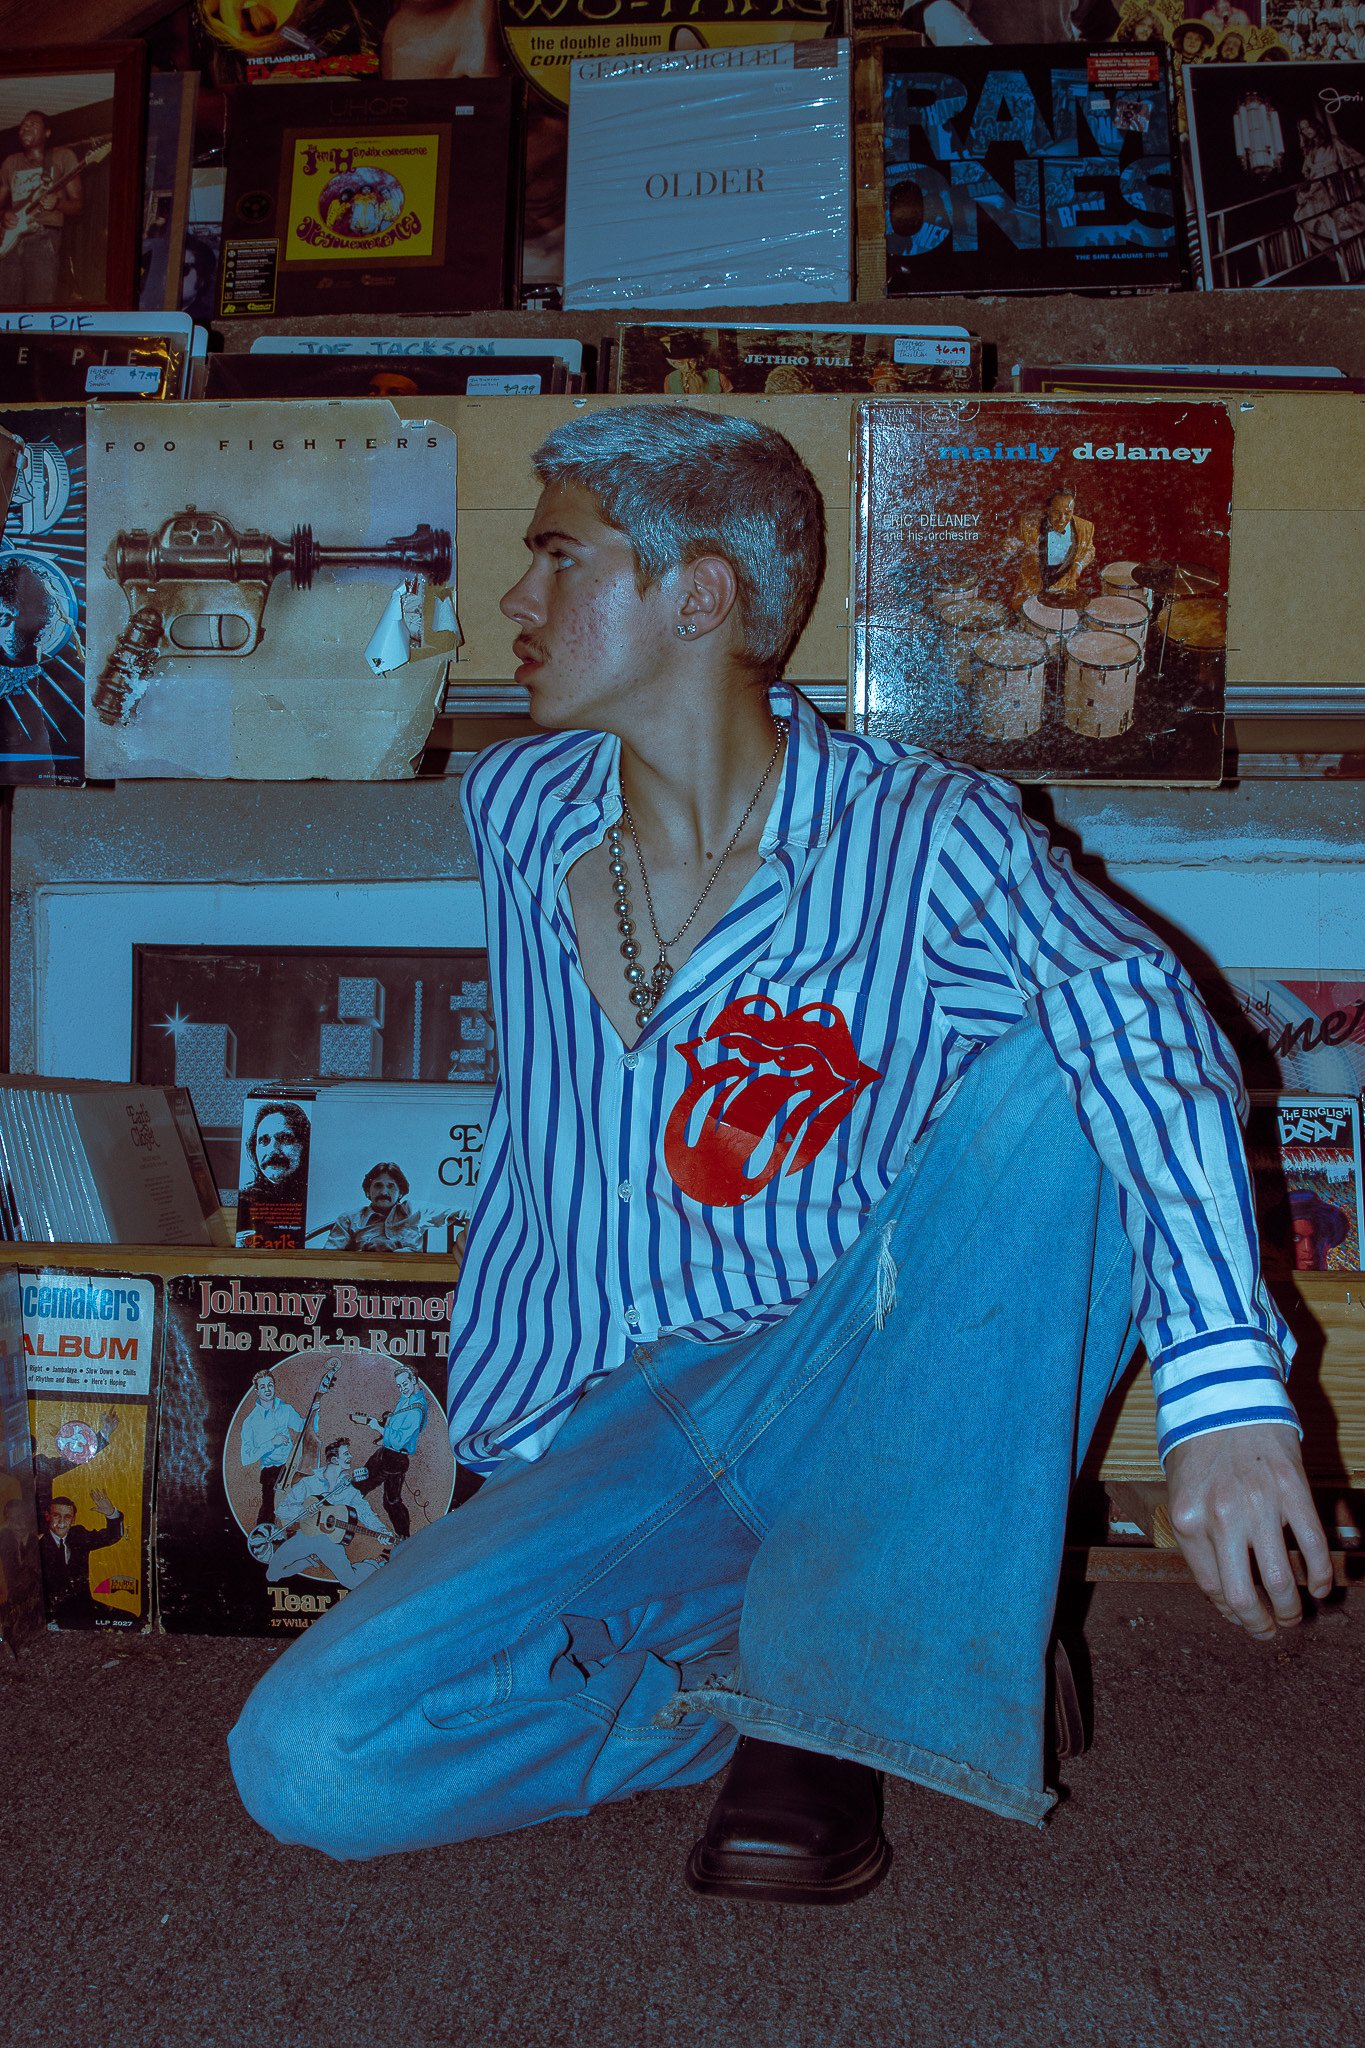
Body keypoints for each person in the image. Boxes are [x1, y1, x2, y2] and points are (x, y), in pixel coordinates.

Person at [230, 407, 1331, 1905]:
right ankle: (837, 1672)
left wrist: (1225, 1392)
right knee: (311, 1762)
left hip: (847, 1385)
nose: (514, 597)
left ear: (699, 594)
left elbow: (1144, 1019)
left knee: (1070, 1076)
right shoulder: (519, 807)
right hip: (597, 1435)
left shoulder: (930, 840)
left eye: (560, 557)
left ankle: (857, 1657)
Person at [264, 1438, 393, 1590]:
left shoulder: (349, 1489)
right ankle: (307, 1561)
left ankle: (374, 1564)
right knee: (272, 1574)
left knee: (351, 1582)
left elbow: (366, 1513)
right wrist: (304, 1512)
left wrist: (381, 1530)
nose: (351, 1456)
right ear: (334, 1460)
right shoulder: (309, 1483)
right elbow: (282, 1509)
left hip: (330, 1542)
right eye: (346, 1454)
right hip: (306, 1536)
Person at [0, 111, 81, 308]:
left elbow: (78, 205)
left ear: (47, 132)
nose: (25, 128)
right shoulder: (11, 162)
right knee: (5, 307)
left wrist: (58, 203)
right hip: (10, 243)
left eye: (32, 124)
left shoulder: (63, 157)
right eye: (23, 125)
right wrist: (3, 215)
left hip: (43, 241)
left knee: (38, 307)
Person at [348, 1364, 429, 1541]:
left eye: (404, 1384)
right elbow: (396, 1428)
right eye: (399, 1386)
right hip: (392, 1455)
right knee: (391, 1501)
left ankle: (341, 1516)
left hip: (392, 1458)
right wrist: (385, 1425)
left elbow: (398, 1440)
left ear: (414, 1380)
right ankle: (404, 1537)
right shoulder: (406, 1399)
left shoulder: (416, 1410)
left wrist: (376, 1426)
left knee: (360, 1487)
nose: (402, 1389)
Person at [1001, 483, 1096, 606]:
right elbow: (1013, 544)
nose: (1062, 519)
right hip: (1030, 593)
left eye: (1068, 513)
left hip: (1064, 594)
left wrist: (1079, 565)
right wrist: (1009, 547)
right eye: (1056, 512)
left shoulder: (1085, 527)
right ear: (1047, 509)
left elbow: (1089, 550)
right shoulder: (1028, 524)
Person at [37, 1492, 124, 1624]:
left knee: (130, 1619)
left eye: (67, 1517)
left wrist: (111, 1513)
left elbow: (112, 1536)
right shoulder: (38, 1542)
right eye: (56, 1515)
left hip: (83, 1607)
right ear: (47, 1516)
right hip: (51, 1612)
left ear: (73, 1520)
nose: (61, 1522)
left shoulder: (79, 1535)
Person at [239, 1370, 308, 1528]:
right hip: (271, 1471)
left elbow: (303, 1427)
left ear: (274, 1386)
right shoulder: (250, 1421)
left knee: (302, 1504)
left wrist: (315, 1408)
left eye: (270, 1385)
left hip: (292, 1466)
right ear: (257, 1391)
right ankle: (263, 1537)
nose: (267, 1389)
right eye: (263, 1387)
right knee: (270, 1510)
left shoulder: (286, 1409)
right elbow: (246, 1457)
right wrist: (271, 1443)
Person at [321, 1162, 424, 1251]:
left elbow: (416, 1255)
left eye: (390, 1186)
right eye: (378, 1186)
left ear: (400, 1193)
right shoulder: (348, 1220)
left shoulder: (411, 1216)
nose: (384, 1192)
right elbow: (330, 1258)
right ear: (368, 1191)